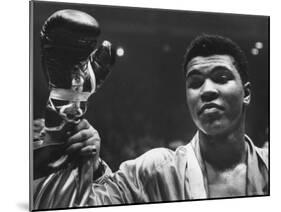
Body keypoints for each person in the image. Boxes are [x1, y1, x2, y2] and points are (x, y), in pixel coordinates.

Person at [34, 34, 268, 209]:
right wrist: (63, 113)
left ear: (246, 93)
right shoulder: (154, 171)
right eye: (195, 83)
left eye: (221, 78)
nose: (206, 90)